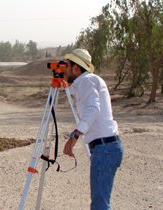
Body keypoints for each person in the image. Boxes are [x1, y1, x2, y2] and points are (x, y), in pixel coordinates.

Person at [62, 49, 123, 210]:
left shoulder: (87, 81)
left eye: (67, 66)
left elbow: (93, 109)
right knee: (100, 204)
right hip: (107, 148)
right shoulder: (87, 81)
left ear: (76, 68)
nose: (65, 69)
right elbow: (79, 94)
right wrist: (66, 82)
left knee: (100, 206)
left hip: (104, 149)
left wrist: (75, 134)